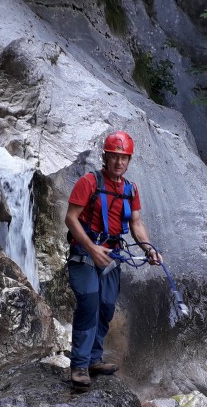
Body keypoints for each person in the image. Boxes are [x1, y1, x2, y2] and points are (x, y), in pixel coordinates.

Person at [64, 130, 160, 388]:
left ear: (129, 160)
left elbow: (136, 223)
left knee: (106, 307)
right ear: (104, 156)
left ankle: (94, 359)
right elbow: (71, 218)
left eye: (124, 157)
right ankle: (80, 365)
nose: (119, 162)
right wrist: (91, 248)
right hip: (84, 254)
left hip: (112, 255)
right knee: (89, 302)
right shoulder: (89, 182)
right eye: (114, 156)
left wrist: (149, 248)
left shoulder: (130, 189)